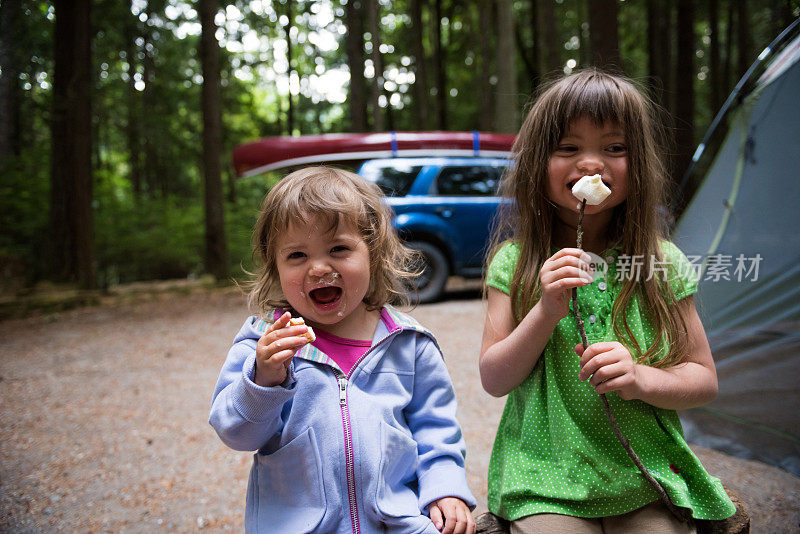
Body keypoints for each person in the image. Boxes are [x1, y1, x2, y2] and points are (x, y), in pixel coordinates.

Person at [479, 69, 736, 533]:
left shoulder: (661, 264)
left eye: (614, 148)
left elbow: (703, 380)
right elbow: (494, 378)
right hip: (544, 474)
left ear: (639, 165)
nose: (591, 164)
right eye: (569, 148)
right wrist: (546, 310)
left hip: (643, 472)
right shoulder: (514, 263)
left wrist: (640, 377)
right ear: (538, 162)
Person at [209, 167, 476, 534]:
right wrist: (264, 379)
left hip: (397, 522)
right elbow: (236, 434)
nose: (319, 267)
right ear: (275, 265)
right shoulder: (263, 343)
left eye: (339, 249)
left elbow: (437, 431)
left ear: (373, 252)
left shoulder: (408, 343)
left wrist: (445, 491)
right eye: (297, 255)